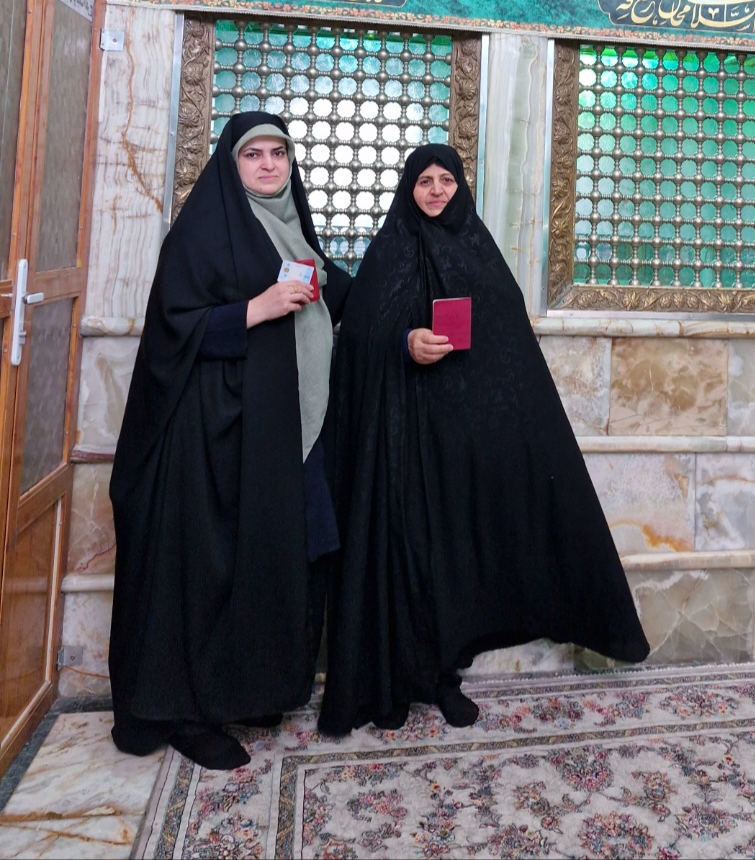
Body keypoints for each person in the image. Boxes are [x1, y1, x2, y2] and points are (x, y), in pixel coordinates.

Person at [320, 143, 649, 735]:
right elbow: (360, 334)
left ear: (460, 187)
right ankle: (389, 683)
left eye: (446, 180)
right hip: (399, 437)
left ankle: (442, 677)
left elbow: (505, 340)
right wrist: (405, 342)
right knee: (400, 549)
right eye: (425, 181)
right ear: (409, 189)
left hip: (459, 441)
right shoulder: (390, 249)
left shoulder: (478, 250)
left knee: (450, 559)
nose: (436, 191)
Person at [109, 112, 352, 770]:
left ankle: (248, 689)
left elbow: (337, 293)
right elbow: (172, 326)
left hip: (276, 429)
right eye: (254, 154)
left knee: (272, 555)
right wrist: (255, 308)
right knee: (206, 565)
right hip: (210, 436)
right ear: (230, 163)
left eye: (279, 153)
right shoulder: (201, 232)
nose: (269, 165)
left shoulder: (293, 229)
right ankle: (187, 711)